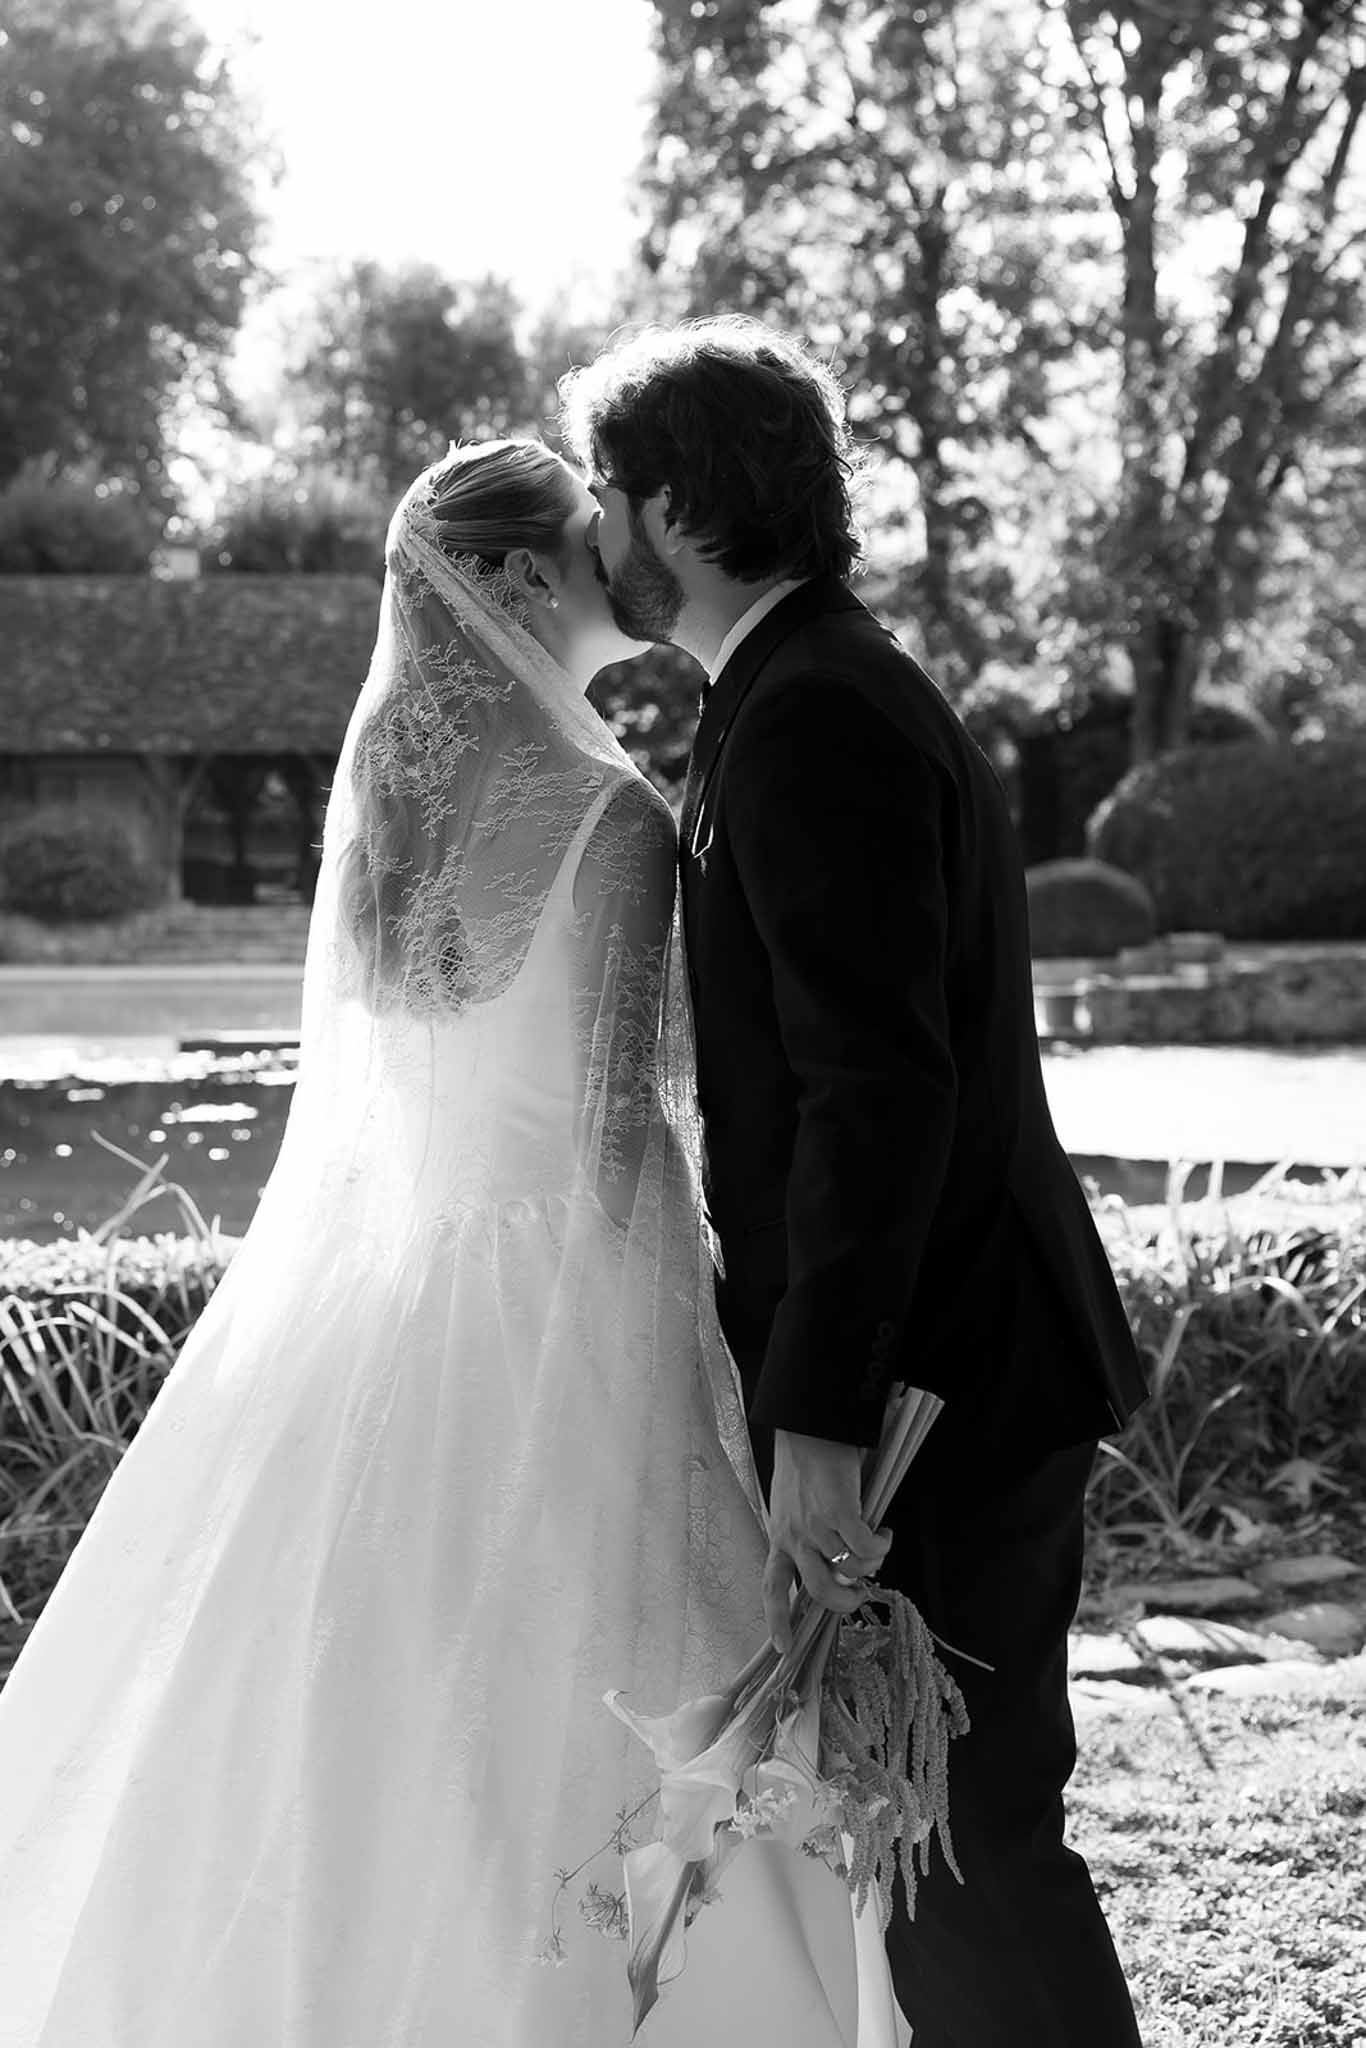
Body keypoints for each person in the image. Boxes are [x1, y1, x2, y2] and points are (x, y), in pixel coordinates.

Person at [0, 440, 890, 2046]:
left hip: (398, 1287)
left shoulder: (389, 821)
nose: (619, 559)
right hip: (573, 1276)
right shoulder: (608, 814)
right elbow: (629, 1128)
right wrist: (706, 1328)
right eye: (585, 536)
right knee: (590, 1653)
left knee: (367, 1676)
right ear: (525, 583)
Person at [562, 317, 1153, 2048]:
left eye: (609, 495)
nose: (601, 538)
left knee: (971, 1844)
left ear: (671, 501)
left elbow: (873, 1089)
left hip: (939, 1380)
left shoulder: (814, 712)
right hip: (949, 1351)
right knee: (934, 1834)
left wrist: (820, 1415)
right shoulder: (803, 682)